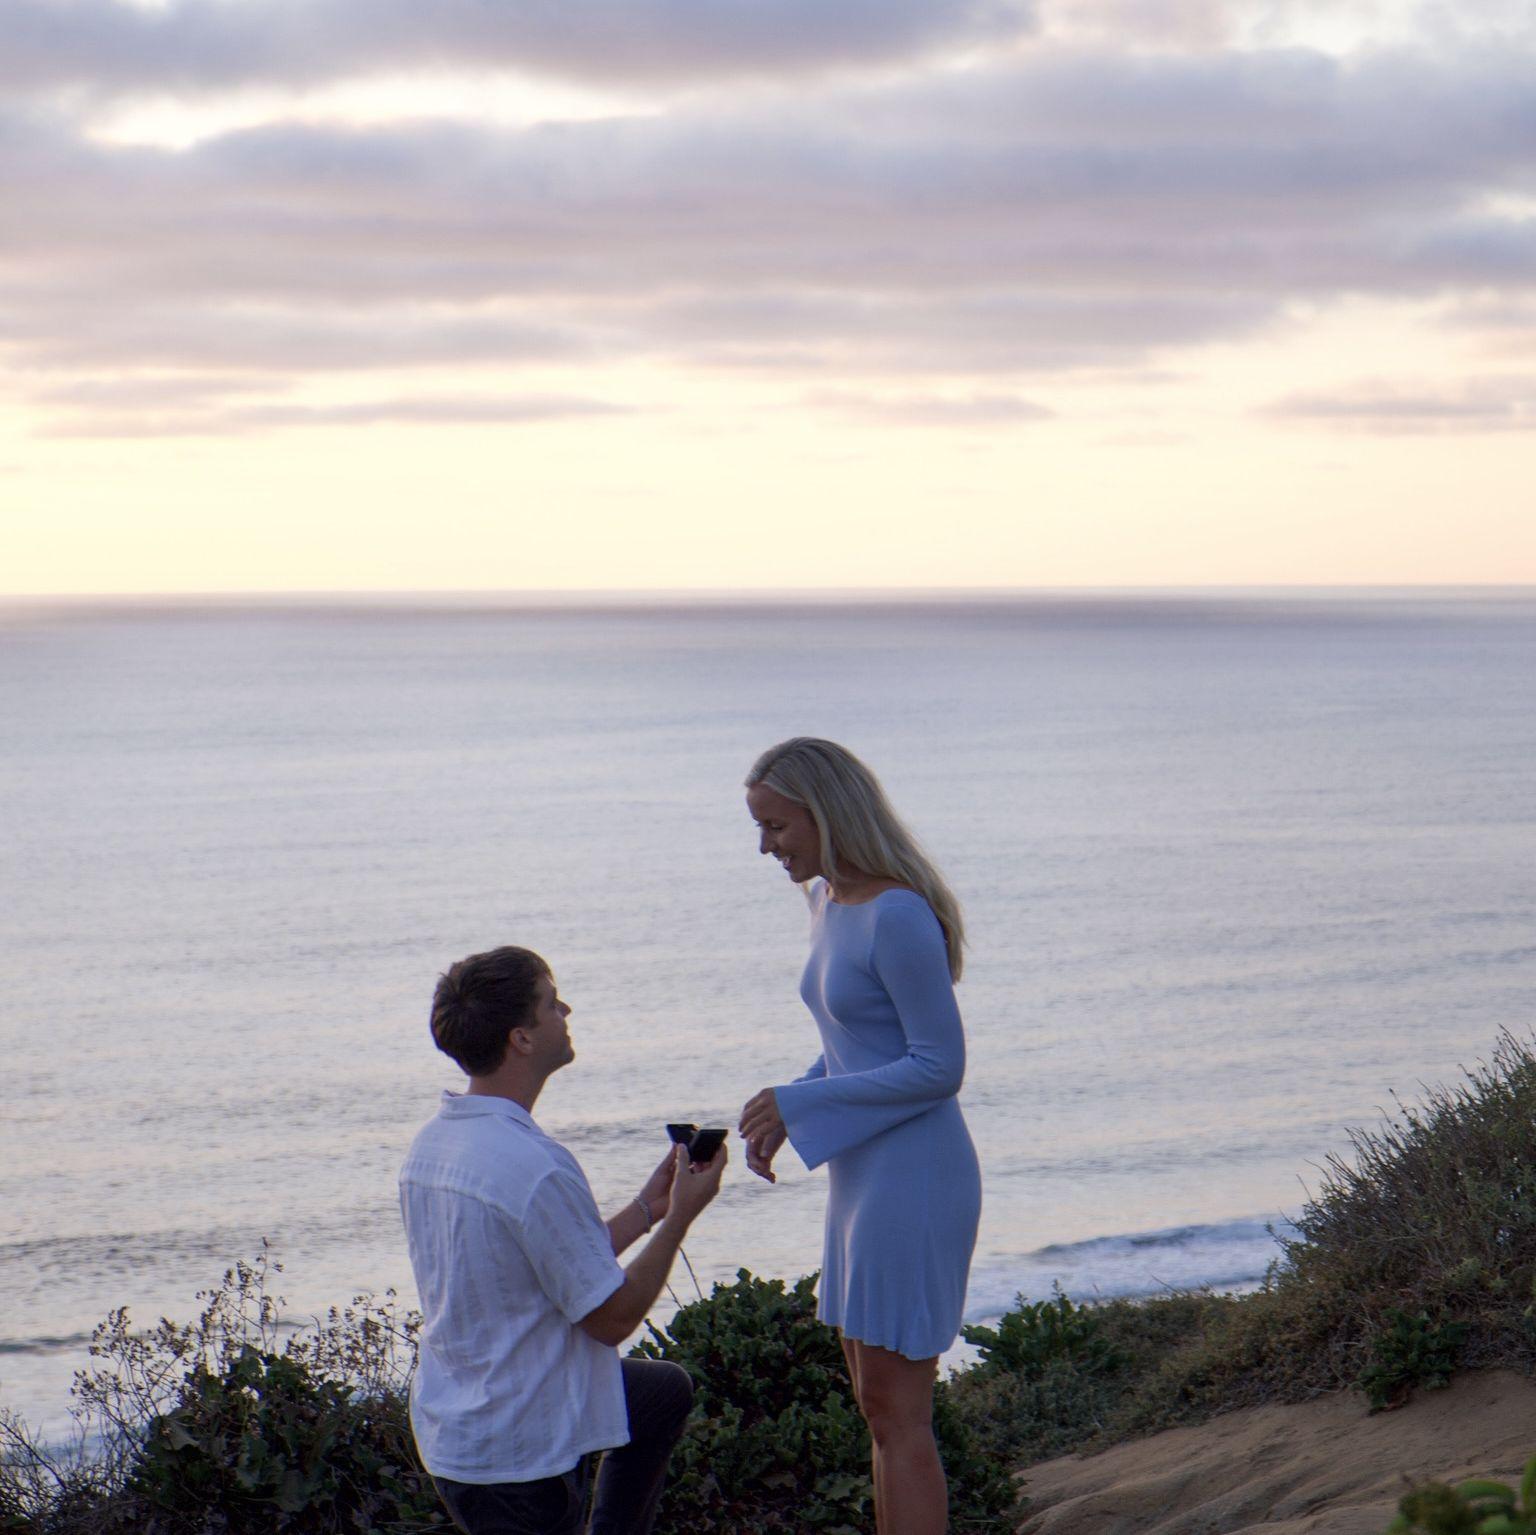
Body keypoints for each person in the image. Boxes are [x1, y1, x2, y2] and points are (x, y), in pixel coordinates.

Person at [738, 738, 980, 1535]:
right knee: (877, 1408)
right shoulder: (827, 902)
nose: (767, 845)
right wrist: (791, 1103)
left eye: (775, 825)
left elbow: (939, 1066)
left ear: (823, 809)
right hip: (860, 1180)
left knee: (900, 1412)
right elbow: (855, 1043)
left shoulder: (899, 912)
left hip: (915, 1175)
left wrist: (799, 1105)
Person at [400, 945, 726, 1535]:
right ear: (521, 1038)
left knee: (660, 1394)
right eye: (552, 1003)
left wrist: (649, 1209)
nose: (566, 1010)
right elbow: (611, 1320)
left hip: (460, 1422)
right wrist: (682, 1217)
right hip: (519, 1454)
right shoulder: (535, 1165)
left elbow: (552, 1258)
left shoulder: (434, 1144)